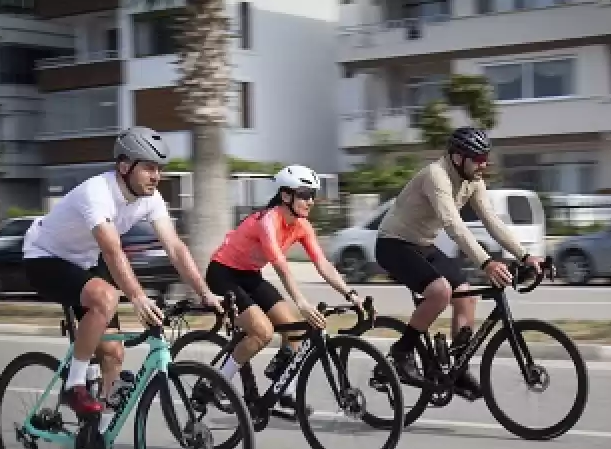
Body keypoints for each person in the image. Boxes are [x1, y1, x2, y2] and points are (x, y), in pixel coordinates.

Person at [22, 126, 222, 449]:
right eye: (149, 167)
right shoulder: (97, 192)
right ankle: (74, 386)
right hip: (45, 256)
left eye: (160, 168)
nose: (156, 176)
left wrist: (204, 293)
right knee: (105, 296)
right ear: (124, 166)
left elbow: (175, 248)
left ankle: (96, 444)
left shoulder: (150, 197)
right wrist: (138, 296)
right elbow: (113, 251)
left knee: (114, 353)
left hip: (83, 259)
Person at [374, 126, 544, 401]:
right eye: (478, 158)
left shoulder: (473, 180)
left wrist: (524, 256)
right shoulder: (436, 176)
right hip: (393, 244)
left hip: (423, 245)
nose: (483, 164)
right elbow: (453, 224)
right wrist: (486, 263)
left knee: (465, 295)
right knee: (440, 292)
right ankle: (402, 353)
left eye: (485, 157)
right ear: (457, 158)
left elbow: (491, 220)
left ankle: (458, 368)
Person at [195, 165, 365, 414]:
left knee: (296, 330)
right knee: (261, 332)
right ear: (286, 195)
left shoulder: (301, 225)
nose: (311, 201)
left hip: (250, 275)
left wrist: (349, 293)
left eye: (313, 195)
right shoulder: (268, 220)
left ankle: (285, 390)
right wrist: (302, 302)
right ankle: (214, 383)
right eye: (305, 194)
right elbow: (280, 265)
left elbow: (322, 263)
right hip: (223, 273)